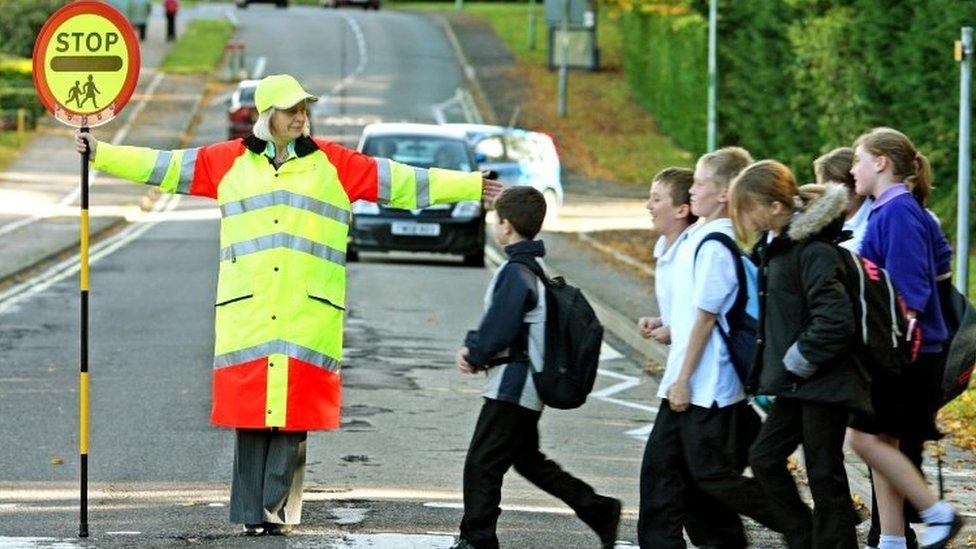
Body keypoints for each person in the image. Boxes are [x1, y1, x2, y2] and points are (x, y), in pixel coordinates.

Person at [74, 74, 502, 536]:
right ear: (267, 116)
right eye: (291, 109)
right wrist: (100, 153)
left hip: (306, 313)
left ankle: (277, 515)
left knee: (293, 419)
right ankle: (248, 515)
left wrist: (470, 185)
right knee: (251, 416)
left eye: (304, 109)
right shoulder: (227, 162)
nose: (301, 117)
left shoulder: (333, 164)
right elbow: (164, 166)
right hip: (250, 312)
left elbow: (400, 181)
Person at [637, 147, 790, 548]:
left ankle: (811, 522)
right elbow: (698, 318)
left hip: (706, 385)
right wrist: (669, 328)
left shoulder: (714, 245)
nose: (692, 191)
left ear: (723, 194)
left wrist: (683, 378)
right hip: (693, 381)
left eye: (700, 184)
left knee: (704, 478)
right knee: (684, 481)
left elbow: (707, 320)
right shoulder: (699, 240)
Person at [453, 186, 621, 549]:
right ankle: (598, 509)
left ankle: (477, 539)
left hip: (514, 385)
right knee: (528, 460)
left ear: (507, 226)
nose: (495, 228)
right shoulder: (535, 268)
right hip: (527, 385)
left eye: (497, 221)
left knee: (481, 464)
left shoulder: (515, 271)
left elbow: (501, 325)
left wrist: (473, 351)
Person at [729, 161, 871, 548]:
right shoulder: (778, 249)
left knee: (824, 472)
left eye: (748, 207)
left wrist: (799, 357)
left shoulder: (813, 252)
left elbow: (835, 319)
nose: (743, 216)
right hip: (800, 383)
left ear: (776, 207)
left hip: (824, 379)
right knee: (765, 456)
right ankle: (804, 536)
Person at [846, 127, 963, 549]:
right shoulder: (890, 210)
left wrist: (884, 345)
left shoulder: (898, 213)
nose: (852, 169)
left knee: (863, 438)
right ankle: (892, 540)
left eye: (858, 160)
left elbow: (910, 291)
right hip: (907, 349)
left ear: (881, 163)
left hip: (906, 352)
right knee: (881, 441)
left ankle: (937, 513)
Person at [637, 167, 697, 347]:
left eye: (656, 199)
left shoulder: (694, 253)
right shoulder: (663, 246)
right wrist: (662, 321)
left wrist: (675, 331)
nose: (648, 206)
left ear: (681, 211)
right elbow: (684, 309)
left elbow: (707, 316)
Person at [814, 147, 872, 252]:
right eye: (824, 192)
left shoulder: (873, 223)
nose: (827, 199)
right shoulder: (828, 224)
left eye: (833, 193)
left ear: (856, 189)